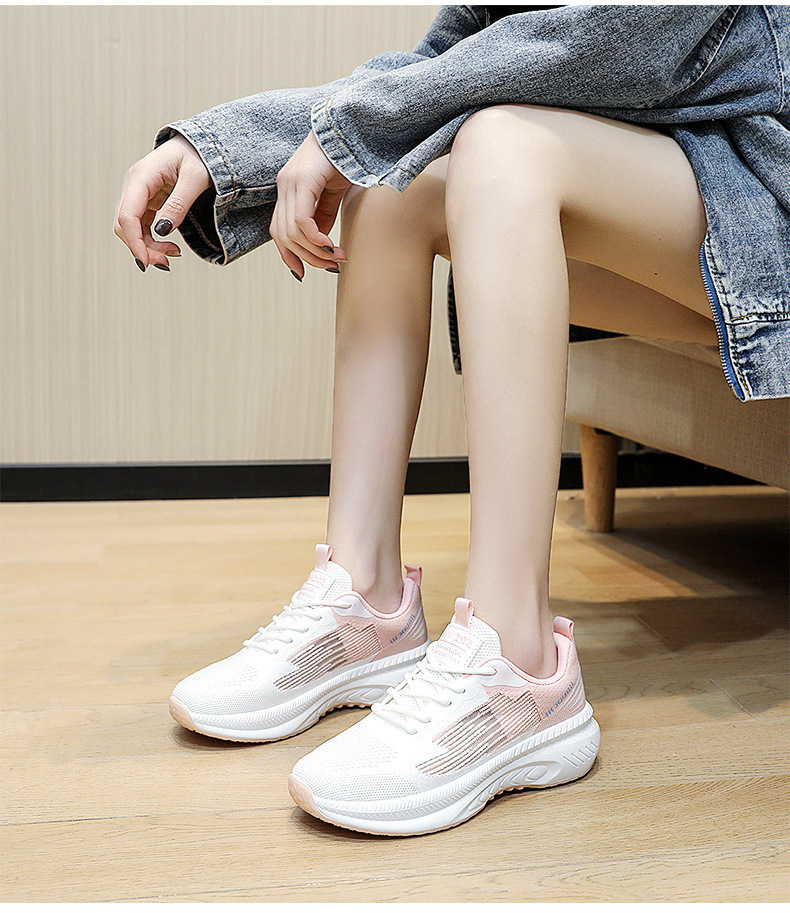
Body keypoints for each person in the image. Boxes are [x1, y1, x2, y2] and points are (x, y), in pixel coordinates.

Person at [114, 5, 790, 836]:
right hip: (694, 198)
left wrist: (338, 129)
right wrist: (222, 147)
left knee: (501, 146)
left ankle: (519, 665)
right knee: (396, 179)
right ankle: (365, 601)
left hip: (763, 187)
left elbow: (618, 41)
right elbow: (452, 63)